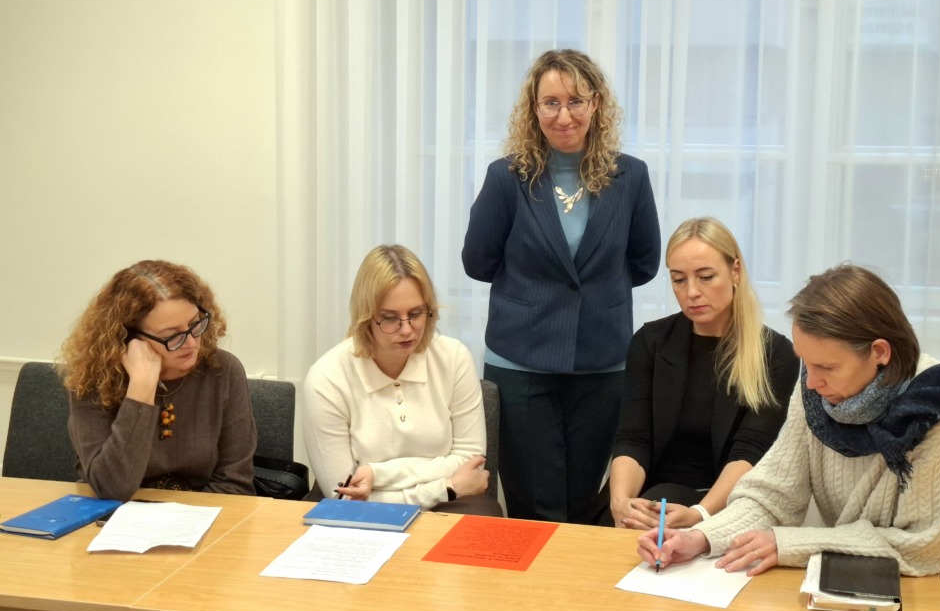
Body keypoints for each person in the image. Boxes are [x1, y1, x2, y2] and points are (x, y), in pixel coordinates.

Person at [638, 264, 940, 576]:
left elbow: (925, 547)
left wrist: (791, 544)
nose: (811, 382)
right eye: (806, 363)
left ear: (879, 351)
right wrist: (701, 537)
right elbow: (771, 496)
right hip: (852, 581)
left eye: (826, 367)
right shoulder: (818, 393)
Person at [462, 48, 661, 523]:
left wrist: (593, 295)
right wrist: (535, 293)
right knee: (535, 505)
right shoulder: (507, 177)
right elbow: (478, 261)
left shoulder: (631, 176)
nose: (564, 115)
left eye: (576, 101)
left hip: (601, 362)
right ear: (534, 108)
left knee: (582, 501)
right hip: (521, 361)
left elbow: (645, 262)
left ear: (596, 104)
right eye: (550, 102)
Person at [600, 217, 799, 529]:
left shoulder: (775, 353)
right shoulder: (651, 342)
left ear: (735, 271)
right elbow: (633, 438)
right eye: (679, 280)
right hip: (648, 496)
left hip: (721, 503)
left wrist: (700, 513)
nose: (691, 292)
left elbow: (749, 453)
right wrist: (621, 502)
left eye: (706, 277)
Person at [302, 245, 503, 516]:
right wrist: (445, 487)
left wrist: (376, 473)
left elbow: (471, 461)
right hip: (362, 509)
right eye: (389, 318)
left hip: (450, 501)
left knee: (484, 518)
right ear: (365, 317)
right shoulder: (326, 378)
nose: (407, 330)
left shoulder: (454, 357)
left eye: (416, 314)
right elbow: (345, 497)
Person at [61, 260, 257, 501]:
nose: (191, 343)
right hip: (115, 514)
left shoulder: (223, 370)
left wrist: (180, 517)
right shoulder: (95, 378)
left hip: (203, 513)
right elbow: (110, 488)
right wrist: (141, 389)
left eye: (195, 324)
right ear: (128, 338)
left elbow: (235, 485)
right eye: (172, 335)